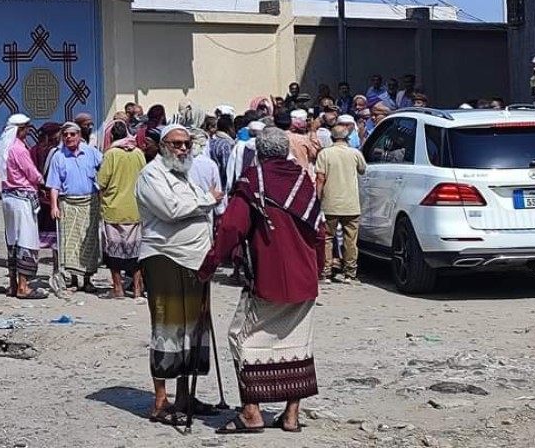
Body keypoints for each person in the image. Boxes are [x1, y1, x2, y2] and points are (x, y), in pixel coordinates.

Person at [199, 127, 322, 434]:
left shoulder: (254, 181)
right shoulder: (303, 179)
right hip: (305, 277)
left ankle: (252, 411)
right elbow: (319, 231)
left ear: (259, 153)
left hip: (270, 278)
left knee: (240, 338)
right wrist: (318, 270)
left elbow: (231, 228)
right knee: (297, 343)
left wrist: (209, 265)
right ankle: (291, 415)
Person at [135, 123, 224, 425]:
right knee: (168, 327)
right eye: (176, 144)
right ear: (162, 147)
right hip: (165, 258)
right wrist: (207, 201)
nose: (183, 149)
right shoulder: (151, 175)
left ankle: (186, 395)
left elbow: (199, 203)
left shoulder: (187, 176)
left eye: (186, 143)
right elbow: (170, 209)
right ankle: (161, 400)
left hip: (195, 260)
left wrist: (202, 202)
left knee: (194, 329)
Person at [47, 121, 104, 293]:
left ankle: (87, 280)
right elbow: (54, 185)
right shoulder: (58, 156)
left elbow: (106, 169)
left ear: (79, 136)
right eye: (65, 135)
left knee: (89, 242)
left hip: (90, 202)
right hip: (69, 203)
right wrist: (54, 205)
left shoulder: (92, 153)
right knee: (70, 243)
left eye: (72, 134)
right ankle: (73, 279)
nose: (69, 137)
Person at [96, 120, 146, 299]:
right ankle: (138, 289)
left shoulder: (111, 155)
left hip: (114, 209)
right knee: (136, 252)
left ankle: (118, 288)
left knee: (113, 252)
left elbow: (102, 182)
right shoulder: (139, 153)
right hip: (135, 209)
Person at [313, 123, 367, 284]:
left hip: (330, 203)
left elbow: (320, 179)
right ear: (348, 137)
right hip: (351, 203)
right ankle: (350, 273)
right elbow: (363, 169)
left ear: (331, 138)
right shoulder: (355, 153)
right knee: (351, 240)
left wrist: (318, 198)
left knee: (328, 238)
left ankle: (326, 273)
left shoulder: (325, 154)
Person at [2, 115, 47, 299]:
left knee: (12, 240)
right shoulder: (18, 149)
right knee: (25, 240)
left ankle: (12, 284)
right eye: (26, 128)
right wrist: (44, 181)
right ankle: (23, 286)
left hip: (8, 197)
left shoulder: (3, 147)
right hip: (21, 198)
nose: (28, 131)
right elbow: (31, 173)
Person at [33, 122, 63, 267]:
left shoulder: (35, 149)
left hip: (41, 196)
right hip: (52, 197)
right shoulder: (57, 152)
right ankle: (57, 267)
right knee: (56, 235)